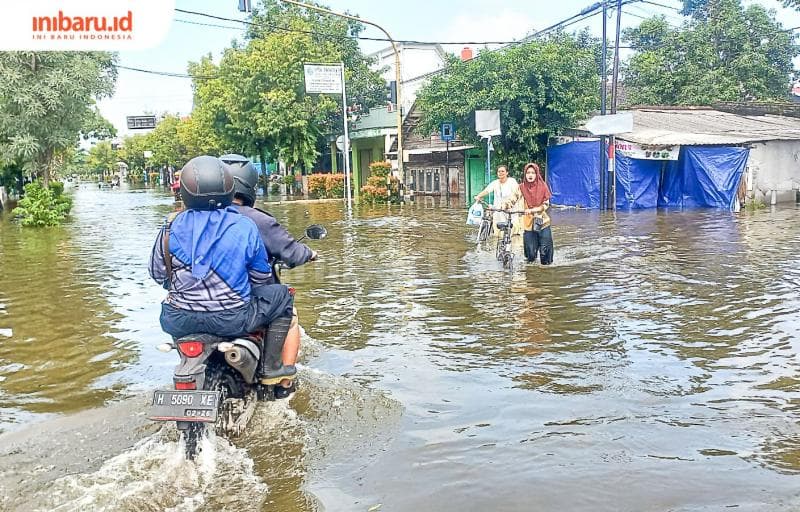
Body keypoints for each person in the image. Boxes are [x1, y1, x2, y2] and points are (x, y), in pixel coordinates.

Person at [148, 155, 297, 390]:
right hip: (232, 319)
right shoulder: (244, 225)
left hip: (177, 320)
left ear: (185, 191)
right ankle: (271, 369)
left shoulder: (170, 226)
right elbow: (259, 278)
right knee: (282, 295)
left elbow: (158, 273)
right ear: (228, 188)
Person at [221, 153, 316, 399]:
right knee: (289, 312)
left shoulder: (196, 219)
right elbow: (291, 252)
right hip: (246, 304)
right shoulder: (255, 220)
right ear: (248, 185)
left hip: (195, 308)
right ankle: (282, 382)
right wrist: (309, 253)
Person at [501, 162, 554, 265]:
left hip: (543, 222)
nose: (530, 175)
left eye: (533, 173)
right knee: (530, 255)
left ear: (537, 174)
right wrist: (506, 205)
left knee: (545, 253)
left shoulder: (543, 186)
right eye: (528, 173)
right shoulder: (521, 187)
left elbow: (546, 205)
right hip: (528, 224)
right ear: (525, 174)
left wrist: (533, 210)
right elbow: (513, 199)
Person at [473, 165, 521, 233]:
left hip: (511, 210)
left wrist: (508, 204)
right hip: (498, 210)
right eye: (499, 171)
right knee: (497, 232)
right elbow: (487, 190)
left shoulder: (512, 181)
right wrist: (478, 196)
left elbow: (516, 194)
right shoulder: (495, 183)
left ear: (507, 173)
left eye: (502, 171)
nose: (500, 173)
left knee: (512, 232)